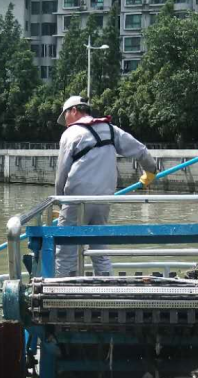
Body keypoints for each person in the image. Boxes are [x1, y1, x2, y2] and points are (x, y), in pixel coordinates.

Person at [54, 95, 157, 277]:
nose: (66, 122)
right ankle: (106, 286)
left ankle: (62, 292)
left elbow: (62, 174)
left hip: (76, 201)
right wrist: (150, 172)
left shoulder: (70, 134)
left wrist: (59, 202)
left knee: (66, 252)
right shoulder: (110, 130)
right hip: (103, 201)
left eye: (66, 116)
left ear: (74, 110)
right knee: (99, 249)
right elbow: (140, 150)